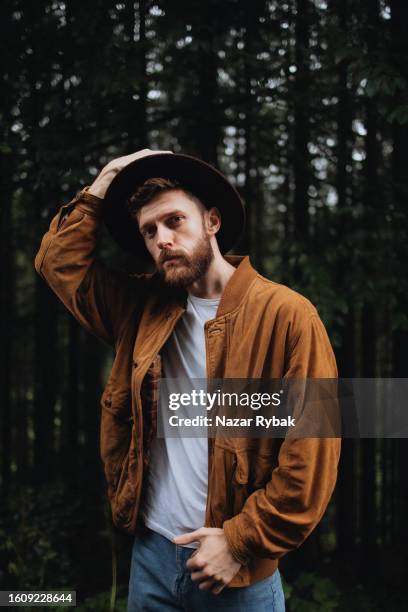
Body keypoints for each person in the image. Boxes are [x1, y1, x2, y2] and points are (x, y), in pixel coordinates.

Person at [34, 149, 341, 611]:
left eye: (175, 221)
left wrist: (239, 542)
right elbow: (59, 264)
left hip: (236, 572)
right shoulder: (139, 309)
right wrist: (106, 181)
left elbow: (310, 460)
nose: (162, 239)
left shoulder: (287, 316)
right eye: (150, 231)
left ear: (212, 221)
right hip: (152, 558)